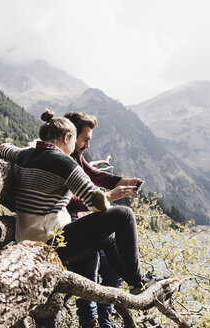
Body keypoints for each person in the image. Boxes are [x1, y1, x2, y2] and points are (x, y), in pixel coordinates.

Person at [0, 110, 151, 327]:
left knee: (106, 240)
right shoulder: (65, 164)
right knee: (124, 215)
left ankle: (132, 286)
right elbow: (96, 203)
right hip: (51, 243)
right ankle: (138, 282)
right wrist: (111, 196)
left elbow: (2, 148)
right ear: (68, 137)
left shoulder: (25, 154)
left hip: (26, 241)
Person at [65, 111, 139, 328]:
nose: (87, 145)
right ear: (71, 135)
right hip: (66, 231)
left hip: (75, 226)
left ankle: (104, 322)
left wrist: (123, 181)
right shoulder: (62, 160)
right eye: (85, 139)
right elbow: (67, 201)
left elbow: (95, 174)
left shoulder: (76, 156)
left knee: (112, 268)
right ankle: (91, 322)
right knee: (92, 262)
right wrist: (105, 197)